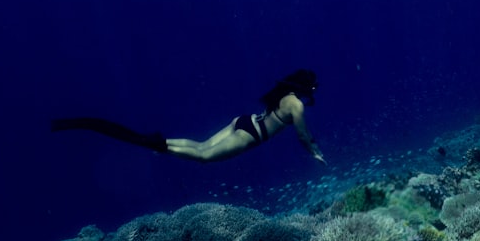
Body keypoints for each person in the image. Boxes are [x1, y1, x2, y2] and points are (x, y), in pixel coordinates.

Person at [52, 69, 325, 164]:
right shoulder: (296, 105)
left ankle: (162, 142)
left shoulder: (281, 94)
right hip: (251, 135)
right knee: (204, 157)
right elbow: (302, 133)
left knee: (201, 145)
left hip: (243, 122)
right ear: (305, 87)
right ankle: (158, 144)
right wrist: (313, 152)